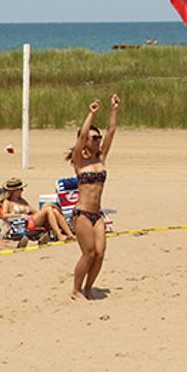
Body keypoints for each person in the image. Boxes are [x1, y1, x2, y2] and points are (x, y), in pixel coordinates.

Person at [69, 94, 119, 301]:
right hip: (81, 213)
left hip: (97, 214)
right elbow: (80, 138)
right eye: (94, 138)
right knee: (88, 253)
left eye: (98, 138)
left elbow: (112, 131)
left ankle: (89, 287)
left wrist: (114, 109)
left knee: (99, 254)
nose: (98, 141)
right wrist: (91, 113)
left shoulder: (102, 157)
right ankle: (76, 289)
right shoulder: (79, 160)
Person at [0, 177, 75, 243]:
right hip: (22, 225)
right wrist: (21, 215)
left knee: (52, 210)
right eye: (20, 189)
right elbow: (4, 215)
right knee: (48, 209)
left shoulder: (22, 200)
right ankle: (59, 235)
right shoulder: (7, 202)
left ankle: (69, 234)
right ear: (14, 191)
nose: (22, 191)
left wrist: (48, 208)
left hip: (30, 221)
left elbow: (35, 212)